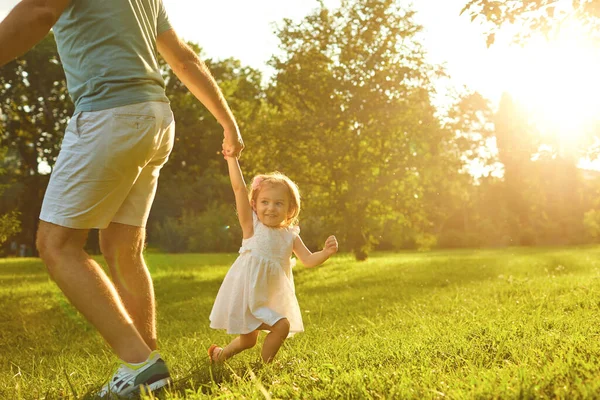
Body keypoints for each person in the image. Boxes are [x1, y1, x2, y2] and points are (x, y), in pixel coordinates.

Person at [0, 0, 244, 396]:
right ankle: (149, 371)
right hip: (156, 117)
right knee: (122, 247)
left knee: (56, 244)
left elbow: (40, 10)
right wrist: (227, 121)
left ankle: (140, 363)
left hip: (109, 115)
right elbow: (183, 58)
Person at [208, 145, 338, 363]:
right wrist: (232, 159)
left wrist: (325, 252)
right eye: (265, 202)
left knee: (270, 331)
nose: (271, 208)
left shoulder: (290, 236)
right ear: (255, 205)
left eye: (279, 203)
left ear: (290, 210)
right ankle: (248, 363)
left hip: (267, 299)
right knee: (258, 336)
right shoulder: (252, 227)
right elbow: (239, 189)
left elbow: (307, 259)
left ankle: (239, 359)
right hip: (248, 296)